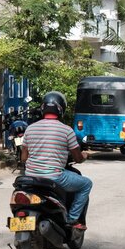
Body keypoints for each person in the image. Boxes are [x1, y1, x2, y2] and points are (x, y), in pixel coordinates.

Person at [19, 91, 92, 229]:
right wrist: (85, 156)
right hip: (54, 177)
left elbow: (24, 158)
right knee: (86, 184)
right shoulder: (66, 130)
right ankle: (72, 219)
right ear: (61, 109)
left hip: (31, 177)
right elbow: (77, 157)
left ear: (42, 108)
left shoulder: (30, 129)